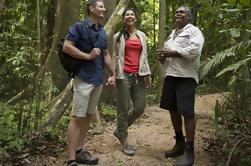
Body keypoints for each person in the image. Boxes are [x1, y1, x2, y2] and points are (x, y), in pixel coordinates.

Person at [63, 0, 116, 166]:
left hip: (98, 79)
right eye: (100, 7)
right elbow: (66, 46)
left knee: (87, 115)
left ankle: (79, 151)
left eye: (103, 7)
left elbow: (106, 54)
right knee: (77, 117)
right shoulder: (79, 26)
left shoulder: (102, 31)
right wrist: (87, 56)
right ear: (91, 9)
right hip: (83, 79)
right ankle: (71, 159)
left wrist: (113, 73)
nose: (104, 9)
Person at [157, 6, 204, 166]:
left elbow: (194, 50)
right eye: (177, 12)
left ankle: (190, 151)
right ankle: (179, 143)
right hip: (171, 75)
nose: (178, 14)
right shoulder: (172, 35)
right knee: (172, 108)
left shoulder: (194, 32)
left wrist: (170, 53)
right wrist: (163, 57)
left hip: (186, 77)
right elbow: (167, 54)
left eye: (182, 12)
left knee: (187, 112)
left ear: (189, 17)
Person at [111, 8, 151, 156]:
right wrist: (113, 75)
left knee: (140, 107)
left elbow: (144, 56)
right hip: (124, 75)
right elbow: (115, 57)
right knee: (123, 107)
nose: (129, 16)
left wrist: (147, 75)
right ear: (123, 19)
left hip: (139, 75)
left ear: (135, 17)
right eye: (126, 15)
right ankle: (124, 141)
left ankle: (119, 130)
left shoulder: (142, 36)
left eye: (132, 14)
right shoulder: (118, 36)